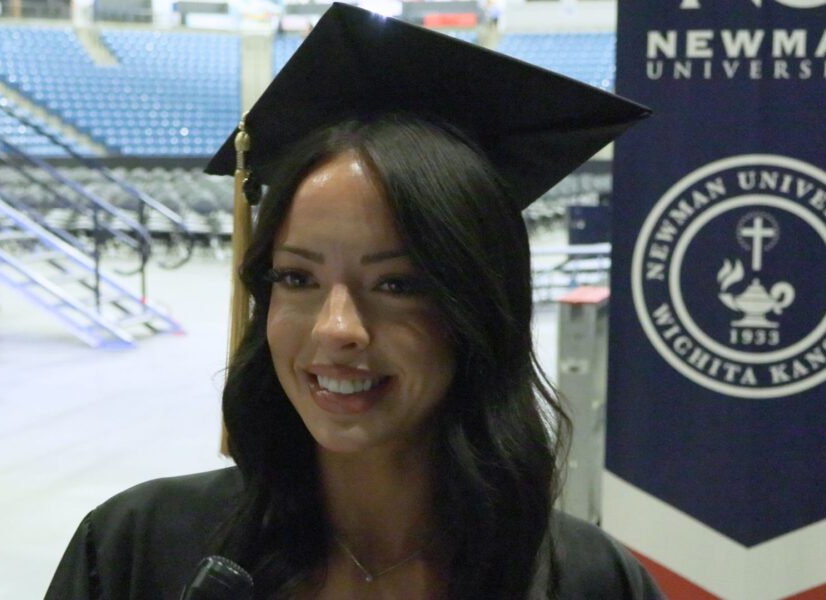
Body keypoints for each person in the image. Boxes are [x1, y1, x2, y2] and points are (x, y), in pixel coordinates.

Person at [45, 4, 659, 599]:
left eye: (397, 284)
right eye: (296, 278)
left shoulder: (583, 581)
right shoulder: (138, 551)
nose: (337, 329)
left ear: (477, 307)